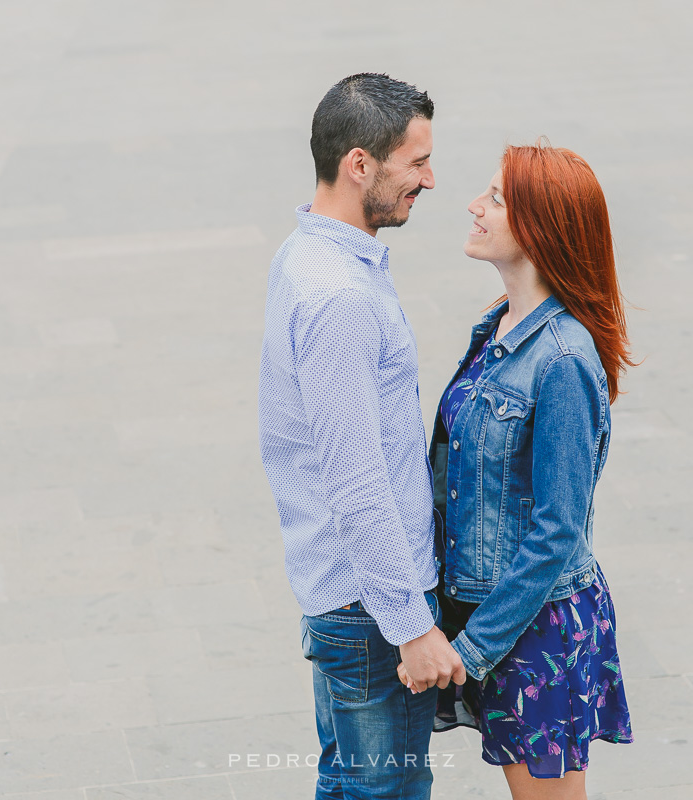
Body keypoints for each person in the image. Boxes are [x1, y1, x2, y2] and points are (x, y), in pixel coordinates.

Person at [400, 143, 635, 800]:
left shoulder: (561, 360)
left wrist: (471, 649)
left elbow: (559, 529)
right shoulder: (497, 329)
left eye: (496, 199)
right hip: (496, 612)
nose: (474, 205)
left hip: (535, 628)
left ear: (540, 226)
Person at [257, 73, 466, 800]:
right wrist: (411, 626)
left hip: (348, 597)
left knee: (348, 787)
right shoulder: (338, 297)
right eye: (415, 163)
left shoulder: (313, 256)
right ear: (359, 165)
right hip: (371, 609)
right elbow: (357, 480)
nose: (430, 180)